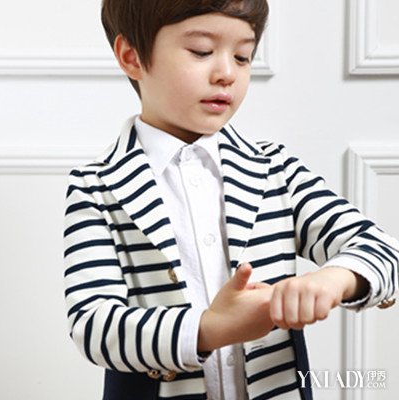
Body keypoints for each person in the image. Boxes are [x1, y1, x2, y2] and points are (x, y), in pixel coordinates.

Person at [63, 1, 398, 399]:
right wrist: (210, 328)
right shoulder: (96, 186)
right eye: (202, 51)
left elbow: (382, 249)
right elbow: (93, 325)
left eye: (242, 56)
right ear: (132, 56)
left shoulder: (274, 169)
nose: (227, 73)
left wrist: (334, 280)